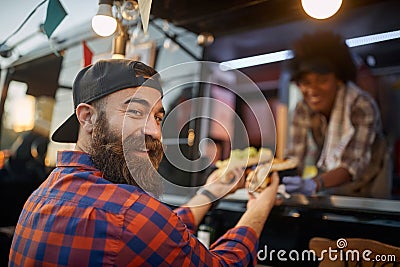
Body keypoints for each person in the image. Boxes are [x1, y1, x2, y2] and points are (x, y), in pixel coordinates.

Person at [9, 59, 280, 266]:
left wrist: (213, 190)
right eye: (135, 111)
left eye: (158, 117)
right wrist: (261, 205)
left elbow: (161, 231)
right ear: (87, 117)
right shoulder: (130, 215)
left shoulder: (42, 195)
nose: (154, 131)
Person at [282, 31, 390, 198]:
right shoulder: (303, 109)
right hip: (329, 182)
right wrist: (277, 178)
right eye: (306, 82)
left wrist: (314, 183)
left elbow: (352, 164)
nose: (312, 90)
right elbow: (295, 157)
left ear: (339, 79)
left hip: (370, 184)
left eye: (322, 81)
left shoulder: (361, 105)